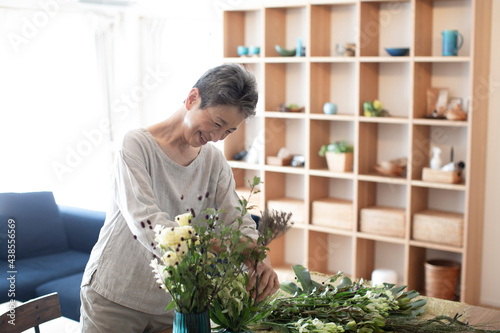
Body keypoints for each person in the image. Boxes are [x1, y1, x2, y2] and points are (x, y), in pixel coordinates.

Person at [80, 63, 280, 332]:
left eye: (229, 132)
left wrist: (259, 259)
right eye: (218, 123)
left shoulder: (214, 162)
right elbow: (147, 224)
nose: (218, 137)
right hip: (115, 295)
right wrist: (222, 247)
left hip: (176, 301)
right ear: (192, 98)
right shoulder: (136, 146)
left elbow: (236, 218)